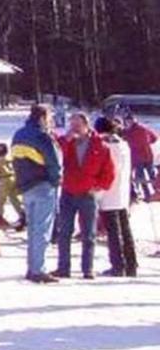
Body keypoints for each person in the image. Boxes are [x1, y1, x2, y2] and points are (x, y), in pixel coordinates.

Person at [53, 112, 114, 279]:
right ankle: (63, 268)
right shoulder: (66, 143)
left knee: (89, 234)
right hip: (68, 192)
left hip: (88, 194)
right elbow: (55, 150)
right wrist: (66, 139)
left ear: (87, 126)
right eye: (72, 125)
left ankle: (88, 269)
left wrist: (100, 186)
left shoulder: (100, 146)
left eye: (78, 125)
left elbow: (109, 171)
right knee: (64, 231)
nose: (75, 128)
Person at [11, 104, 63, 283]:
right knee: (42, 230)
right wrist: (56, 181)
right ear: (42, 118)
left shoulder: (18, 134)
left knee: (33, 229)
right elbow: (54, 161)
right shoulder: (42, 136)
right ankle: (38, 269)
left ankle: (32, 267)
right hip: (43, 185)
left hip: (26, 187)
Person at [94, 116, 137, 277]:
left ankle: (117, 265)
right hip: (122, 192)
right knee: (125, 230)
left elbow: (105, 171)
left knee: (113, 232)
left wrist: (97, 192)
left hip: (108, 192)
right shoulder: (124, 145)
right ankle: (131, 264)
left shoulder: (106, 147)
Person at [121, 113, 158, 202]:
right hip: (147, 155)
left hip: (137, 157)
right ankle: (156, 192)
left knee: (141, 177)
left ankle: (147, 195)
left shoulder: (127, 132)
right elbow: (154, 137)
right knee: (151, 175)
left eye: (129, 120)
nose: (128, 122)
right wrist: (147, 144)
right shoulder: (144, 128)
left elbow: (129, 142)